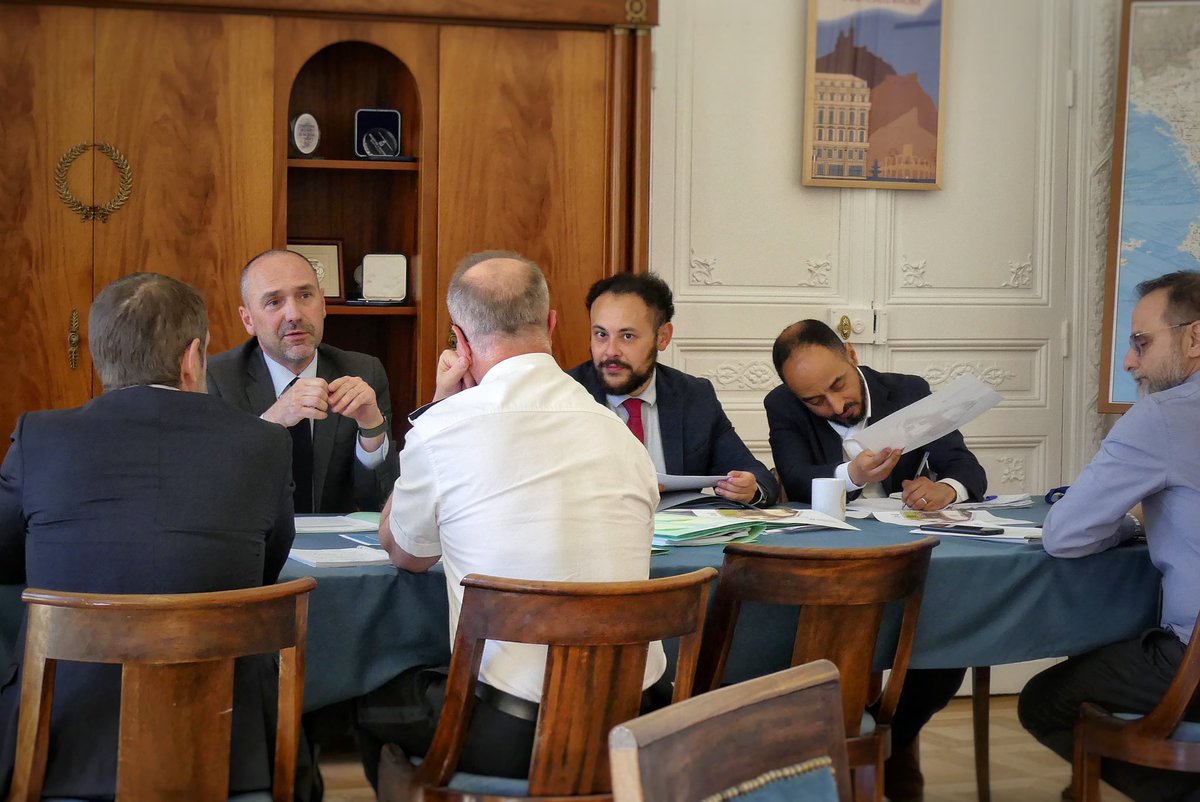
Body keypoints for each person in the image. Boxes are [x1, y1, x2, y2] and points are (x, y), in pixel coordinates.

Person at [355, 252, 665, 789]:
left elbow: (405, 551)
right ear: (550, 323)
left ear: (459, 340)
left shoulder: (444, 429)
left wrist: (437, 403)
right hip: (639, 718)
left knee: (366, 703)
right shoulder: (621, 435)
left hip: (511, 729)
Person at [0, 273, 300, 799]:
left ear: (101, 357)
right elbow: (266, 568)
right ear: (193, 358)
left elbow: (4, 558)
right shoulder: (264, 445)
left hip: (57, 748)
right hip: (232, 753)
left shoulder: (38, 437)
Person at [764, 318, 989, 802]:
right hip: (833, 561)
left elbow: (967, 468)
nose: (835, 405)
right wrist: (851, 473)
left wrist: (944, 489)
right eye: (815, 400)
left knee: (949, 635)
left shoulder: (908, 391)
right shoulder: (781, 406)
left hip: (909, 552)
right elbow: (797, 477)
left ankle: (895, 741)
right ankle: (851, 747)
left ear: (850, 353)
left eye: (838, 385)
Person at [1018, 270, 1200, 802]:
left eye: (1142, 343)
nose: (1129, 363)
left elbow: (1068, 535)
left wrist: (1127, 522)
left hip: (1191, 661)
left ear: (1195, 338)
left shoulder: (1163, 417)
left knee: (1046, 702)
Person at [208, 249, 400, 513]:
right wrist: (271, 422)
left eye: (305, 296)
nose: (294, 314)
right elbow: (214, 491)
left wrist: (372, 428)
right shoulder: (216, 379)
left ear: (322, 305)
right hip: (252, 546)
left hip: (334, 547)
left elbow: (379, 501)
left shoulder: (363, 371)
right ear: (248, 319)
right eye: (274, 302)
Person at [566, 273, 778, 506]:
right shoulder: (564, 395)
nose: (610, 351)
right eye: (601, 335)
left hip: (677, 537)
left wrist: (750, 489)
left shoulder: (694, 396)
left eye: (627, 336)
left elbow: (755, 474)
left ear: (663, 337)